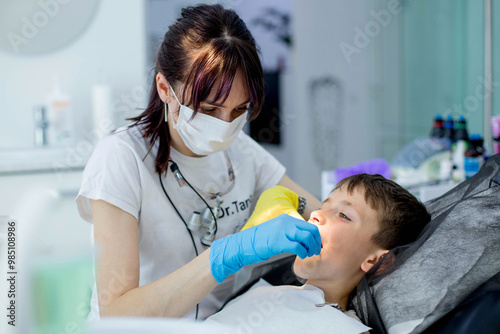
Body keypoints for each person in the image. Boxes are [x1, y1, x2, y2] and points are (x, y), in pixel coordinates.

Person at [76, 4, 321, 321]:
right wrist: (224, 256)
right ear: (165, 89)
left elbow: (313, 210)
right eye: (208, 110)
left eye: (238, 110)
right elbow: (118, 313)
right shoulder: (121, 158)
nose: (224, 126)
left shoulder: (243, 152)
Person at [205, 174, 431, 333]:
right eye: (323, 206)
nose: (315, 215)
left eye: (343, 215)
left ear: (375, 259)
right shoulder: (261, 293)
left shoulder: (347, 330)